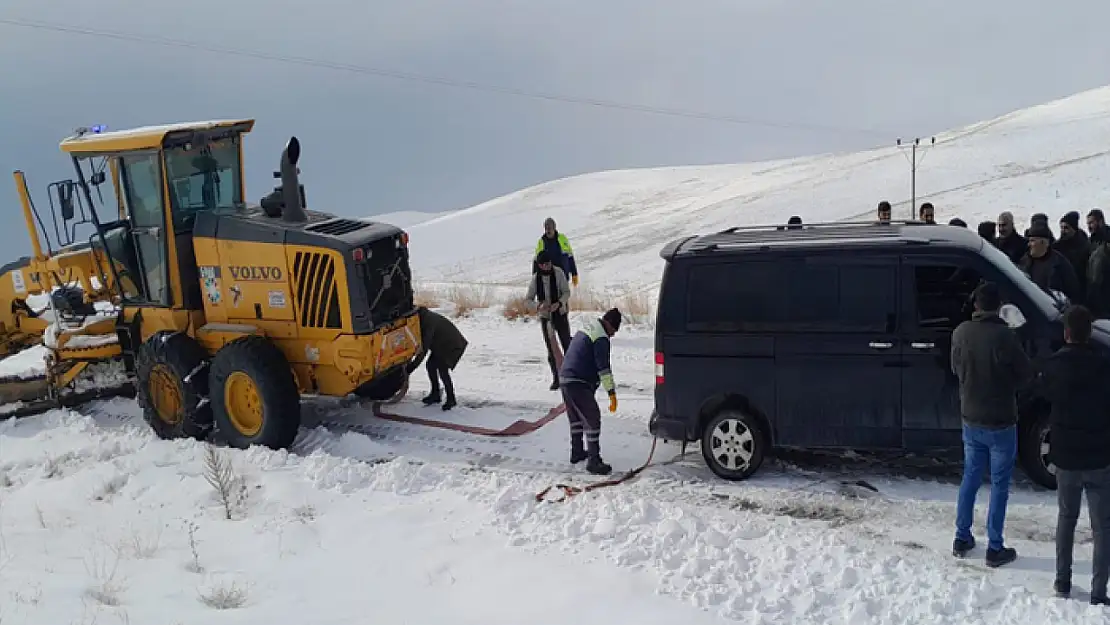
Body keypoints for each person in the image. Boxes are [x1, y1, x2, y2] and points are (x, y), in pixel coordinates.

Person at [950, 282, 1033, 567]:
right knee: (999, 485)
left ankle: (962, 536)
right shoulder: (1004, 337)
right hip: (1001, 420)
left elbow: (955, 369)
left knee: (970, 477)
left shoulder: (960, 333)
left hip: (970, 417)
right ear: (999, 307)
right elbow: (1024, 375)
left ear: (975, 305)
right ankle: (994, 546)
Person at [1037, 305, 1110, 604]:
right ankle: (1098, 591)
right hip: (1098, 456)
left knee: (1066, 518)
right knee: (1102, 526)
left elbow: (1042, 394)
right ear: (1088, 333)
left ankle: (1062, 581)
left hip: (1065, 455)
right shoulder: (1104, 367)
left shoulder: (1053, 366)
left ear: (1066, 333)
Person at [559, 308, 622, 475]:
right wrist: (611, 393)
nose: (613, 335)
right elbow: (604, 369)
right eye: (614, 330)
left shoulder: (589, 327)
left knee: (576, 418)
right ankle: (594, 461)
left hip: (565, 378)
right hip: (578, 381)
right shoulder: (601, 338)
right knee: (592, 418)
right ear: (609, 324)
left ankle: (577, 452)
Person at [406, 306, 468, 411]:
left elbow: (423, 349)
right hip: (441, 345)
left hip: (453, 345)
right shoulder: (425, 318)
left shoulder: (428, 323)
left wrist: (411, 367)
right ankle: (435, 394)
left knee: (442, 369)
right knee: (430, 365)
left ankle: (451, 398)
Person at [526, 250, 572, 390]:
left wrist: (559, 303)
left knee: (567, 346)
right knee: (551, 350)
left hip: (560, 314)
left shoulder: (558, 273)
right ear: (539, 265)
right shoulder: (535, 279)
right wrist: (539, 306)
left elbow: (566, 292)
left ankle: (572, 375)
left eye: (548, 263)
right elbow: (527, 300)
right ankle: (556, 378)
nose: (547, 266)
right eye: (544, 264)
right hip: (546, 318)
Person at [1020, 224, 1080, 303]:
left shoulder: (1060, 264)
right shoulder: (1025, 261)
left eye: (1032, 241)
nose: (1029, 244)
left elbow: (1073, 292)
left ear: (1043, 242)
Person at [534, 217, 579, 287]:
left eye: (550, 228)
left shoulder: (562, 239)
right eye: (546, 229)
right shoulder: (541, 242)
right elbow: (536, 262)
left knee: (564, 295)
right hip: (549, 277)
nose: (548, 231)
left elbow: (570, 257)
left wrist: (574, 273)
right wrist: (535, 280)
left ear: (554, 227)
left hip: (564, 275)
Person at [1054, 211, 1090, 294]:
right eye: (1061, 227)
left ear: (1074, 229)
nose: (1063, 230)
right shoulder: (1057, 247)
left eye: (1066, 228)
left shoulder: (1084, 246)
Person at [1087, 210, 1110, 317]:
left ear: (1100, 222)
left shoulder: (1107, 239)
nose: (1089, 226)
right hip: (1095, 291)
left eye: (1092, 223)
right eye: (1088, 224)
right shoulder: (1090, 241)